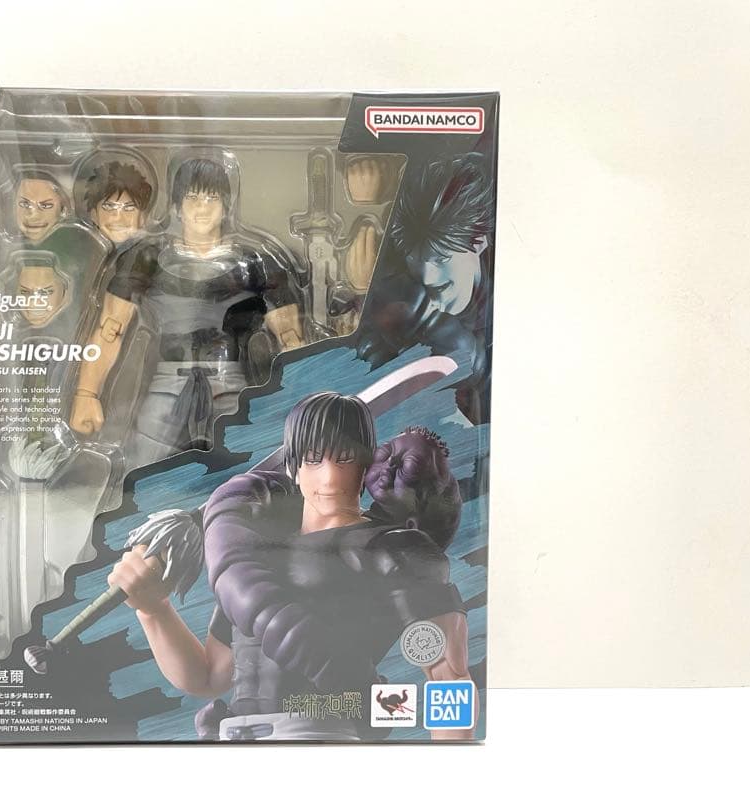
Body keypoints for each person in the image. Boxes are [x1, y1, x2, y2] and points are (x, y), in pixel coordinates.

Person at [108, 393, 472, 741]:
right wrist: (154, 610)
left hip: (320, 737)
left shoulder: (393, 549)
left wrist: (453, 766)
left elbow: (449, 678)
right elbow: (208, 677)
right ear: (294, 468)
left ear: (364, 466)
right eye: (314, 459)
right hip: (232, 738)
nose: (329, 477)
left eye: (344, 459)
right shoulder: (252, 556)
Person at [69, 156, 304, 469]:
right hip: (168, 384)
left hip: (229, 383)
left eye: (211, 197)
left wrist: (305, 396)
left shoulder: (256, 264)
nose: (202, 207)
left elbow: (290, 338)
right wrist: (86, 392)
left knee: (245, 471)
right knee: (143, 468)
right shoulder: (147, 259)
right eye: (193, 197)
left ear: (226, 206)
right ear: (178, 206)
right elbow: (110, 330)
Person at [353, 153, 495, 424]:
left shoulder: (502, 323)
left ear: (478, 243)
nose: (427, 277)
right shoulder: (394, 288)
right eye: (415, 259)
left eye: (441, 259)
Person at [82, 161, 153, 246]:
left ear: (142, 217)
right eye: (109, 207)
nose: (118, 217)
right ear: (94, 215)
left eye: (129, 208)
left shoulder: (152, 250)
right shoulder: (84, 248)